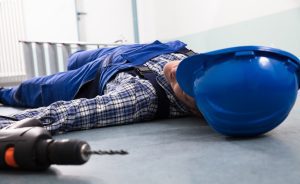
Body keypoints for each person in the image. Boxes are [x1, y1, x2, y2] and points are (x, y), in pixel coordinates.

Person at [0, 40, 201, 134]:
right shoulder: (222, 69)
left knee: (34, 89)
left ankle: (3, 93)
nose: (178, 72)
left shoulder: (140, 98)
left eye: (184, 86)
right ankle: (76, 58)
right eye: (198, 70)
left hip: (103, 70)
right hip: (145, 48)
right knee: (74, 58)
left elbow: (72, 113)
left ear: (193, 110)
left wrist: (6, 123)